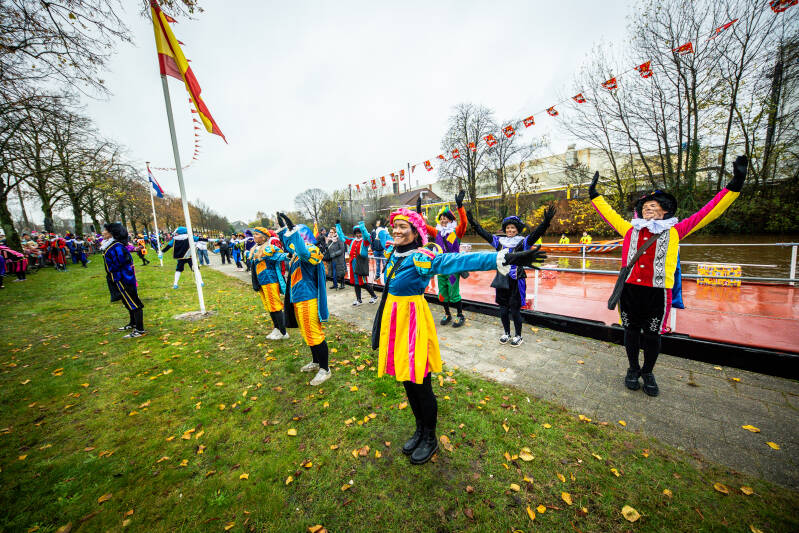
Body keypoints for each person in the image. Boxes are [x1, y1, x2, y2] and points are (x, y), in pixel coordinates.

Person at [372, 207, 547, 464]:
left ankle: (430, 438)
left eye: (403, 226)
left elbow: (456, 261)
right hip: (394, 322)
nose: (396, 230)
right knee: (407, 382)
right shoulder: (391, 253)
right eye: (394, 225)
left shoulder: (421, 258)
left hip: (412, 322)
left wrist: (504, 258)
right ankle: (419, 430)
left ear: (414, 232)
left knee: (421, 384)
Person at [589, 155, 748, 397]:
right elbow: (607, 213)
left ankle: (648, 371)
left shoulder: (676, 231)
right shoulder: (629, 229)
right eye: (644, 207)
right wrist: (594, 194)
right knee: (630, 332)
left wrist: (735, 184)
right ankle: (632, 369)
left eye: (653, 207)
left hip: (658, 292)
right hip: (630, 290)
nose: (647, 209)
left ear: (665, 212)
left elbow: (709, 212)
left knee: (652, 334)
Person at [467, 206, 556, 346]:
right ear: (504, 229)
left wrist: (546, 222)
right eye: (508, 228)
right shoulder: (499, 242)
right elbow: (484, 233)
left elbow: (536, 234)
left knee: (515, 310)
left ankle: (518, 336)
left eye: (513, 228)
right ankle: (506, 333)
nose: (510, 230)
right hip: (502, 279)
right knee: (502, 310)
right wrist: (473, 222)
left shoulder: (523, 242)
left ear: (517, 229)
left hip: (517, 279)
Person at [276, 213, 332, 386]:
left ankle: (325, 369)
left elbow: (302, 250)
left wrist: (292, 232)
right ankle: (316, 362)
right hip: (298, 299)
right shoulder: (295, 254)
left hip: (309, 299)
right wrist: (282, 230)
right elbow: (291, 247)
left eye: (295, 236)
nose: (291, 242)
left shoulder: (313, 251)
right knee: (307, 333)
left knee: (314, 333)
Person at [422, 191, 468, 327]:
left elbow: (464, 222)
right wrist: (419, 211)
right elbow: (423, 226)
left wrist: (460, 206)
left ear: (451, 220)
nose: (443, 220)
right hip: (441, 268)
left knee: (454, 293)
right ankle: (447, 314)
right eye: (441, 218)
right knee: (442, 293)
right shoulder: (436, 233)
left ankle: (460, 315)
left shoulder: (456, 232)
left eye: (445, 218)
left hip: (453, 268)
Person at [101, 223, 145, 338]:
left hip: (123, 278)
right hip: (119, 278)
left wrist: (116, 275)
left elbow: (122, 262)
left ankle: (140, 329)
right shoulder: (113, 245)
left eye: (105, 230)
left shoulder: (116, 247)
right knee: (127, 302)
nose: (103, 232)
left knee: (134, 303)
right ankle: (133, 323)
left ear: (112, 233)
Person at [250, 227, 290, 340]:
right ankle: (276, 328)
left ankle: (283, 332)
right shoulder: (256, 249)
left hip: (270, 280)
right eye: (254, 234)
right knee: (269, 306)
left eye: (257, 234)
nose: (254, 236)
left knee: (275, 306)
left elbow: (280, 255)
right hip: (261, 281)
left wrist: (289, 255)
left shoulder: (269, 248)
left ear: (264, 237)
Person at [336, 220, 377, 306]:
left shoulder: (365, 241)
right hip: (353, 264)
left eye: (360, 233)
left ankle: (374, 296)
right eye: (357, 233)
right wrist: (338, 226)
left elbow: (366, 236)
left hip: (361, 263)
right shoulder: (352, 241)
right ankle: (359, 299)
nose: (358, 235)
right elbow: (342, 236)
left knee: (363, 282)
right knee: (356, 282)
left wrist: (362, 225)